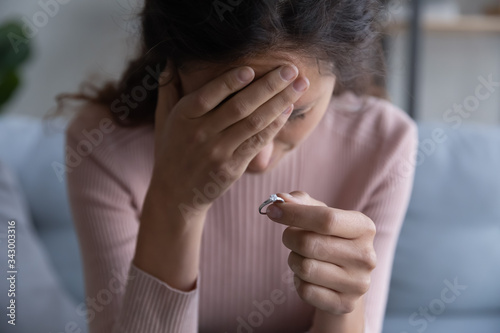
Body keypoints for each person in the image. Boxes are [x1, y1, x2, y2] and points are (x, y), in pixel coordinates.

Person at [65, 1, 418, 332]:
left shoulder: (382, 144)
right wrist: (175, 203)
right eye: (226, 111)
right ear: (170, 73)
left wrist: (344, 308)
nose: (259, 158)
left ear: (340, 73)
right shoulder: (101, 147)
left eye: (295, 113)